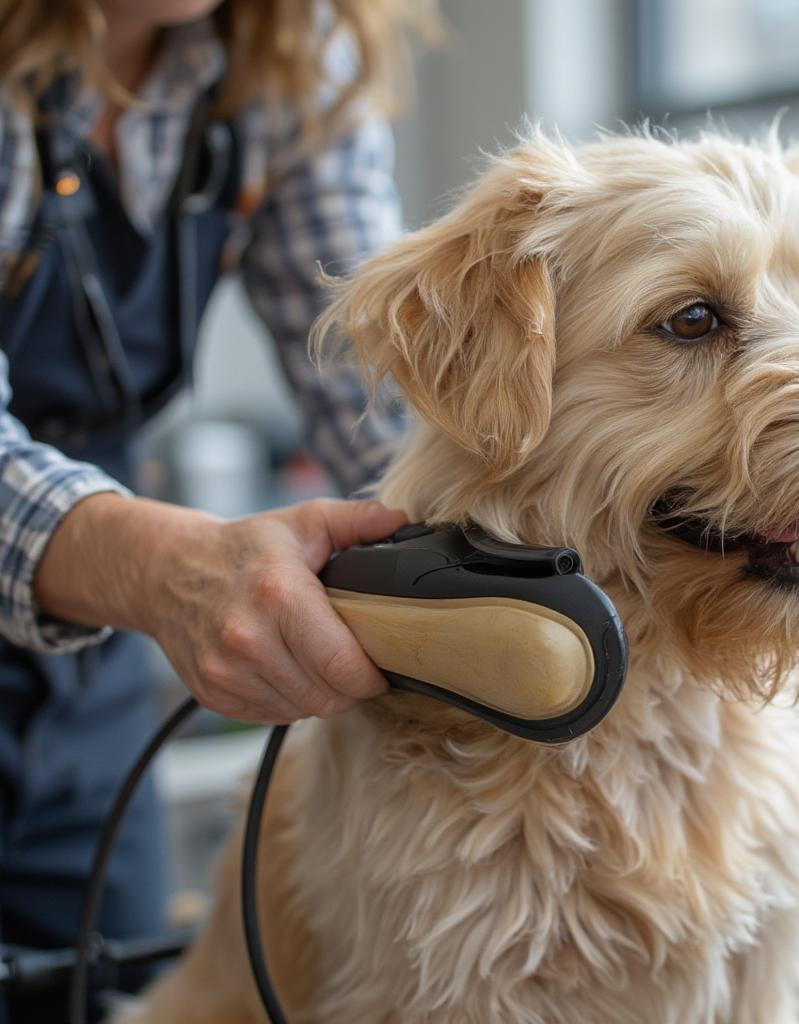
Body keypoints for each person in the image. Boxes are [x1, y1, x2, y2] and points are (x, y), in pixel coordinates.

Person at [0, 0, 431, 1018]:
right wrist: (161, 568)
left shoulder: (289, 49)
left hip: (79, 679)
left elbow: (383, 392)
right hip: (108, 568)